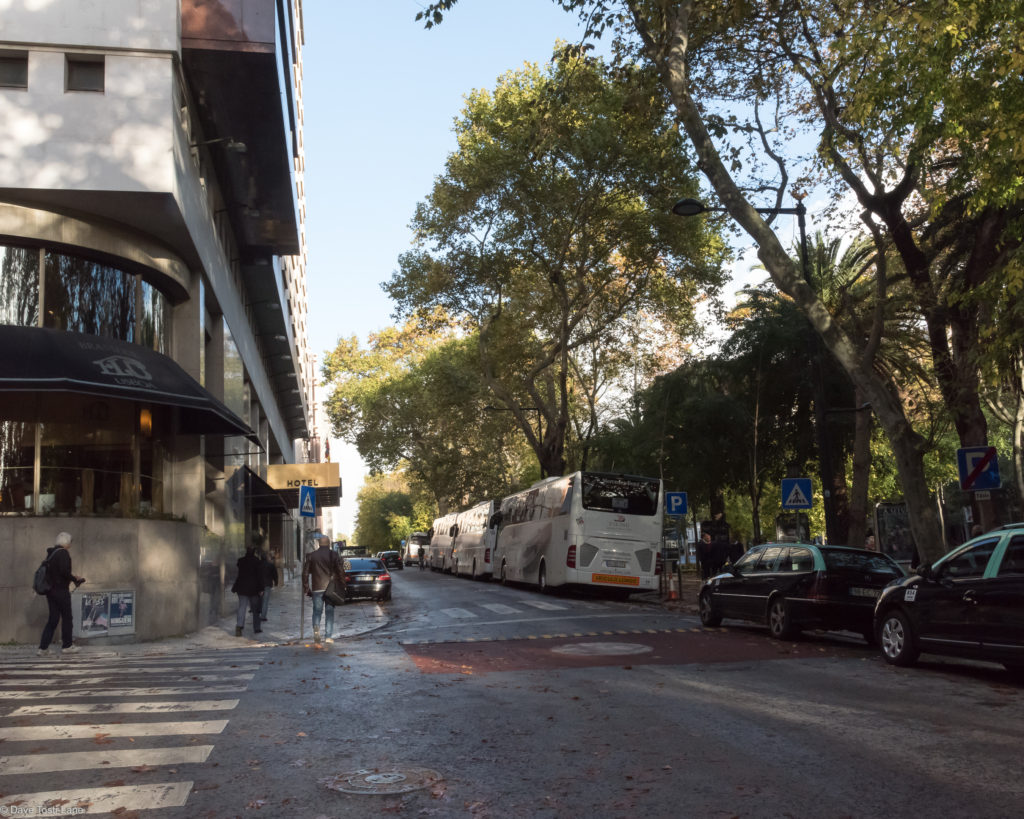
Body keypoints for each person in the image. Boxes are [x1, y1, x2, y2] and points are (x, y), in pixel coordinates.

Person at [38, 531, 85, 656]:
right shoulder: (63, 553)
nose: (70, 545)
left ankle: (43, 648)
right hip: (60, 591)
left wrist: (70, 576)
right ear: (66, 543)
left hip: (50, 591)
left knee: (53, 619)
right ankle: (67, 646)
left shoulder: (51, 554)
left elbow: (57, 572)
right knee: (67, 617)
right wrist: (75, 579)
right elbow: (64, 571)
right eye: (70, 542)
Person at [303, 535, 346, 644]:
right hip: (330, 589)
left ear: (319, 544)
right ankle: (328, 636)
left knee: (317, 612)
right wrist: (343, 584)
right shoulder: (334, 555)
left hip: (317, 588)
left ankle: (316, 631)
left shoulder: (311, 556)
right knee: (329, 612)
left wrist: (306, 588)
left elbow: (305, 573)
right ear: (328, 543)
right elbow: (340, 571)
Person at [233, 545, 264, 637]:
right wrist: (261, 588)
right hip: (254, 589)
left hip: (242, 588)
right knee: (255, 609)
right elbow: (260, 576)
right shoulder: (257, 562)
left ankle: (239, 627)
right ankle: (256, 628)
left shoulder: (241, 561)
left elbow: (238, 573)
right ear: (254, 552)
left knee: (242, 607)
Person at [259, 550, 278, 624]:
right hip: (267, 585)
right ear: (266, 558)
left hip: (259, 585)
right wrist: (276, 582)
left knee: (260, 600)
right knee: (265, 601)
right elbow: (275, 574)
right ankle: (263, 616)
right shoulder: (270, 565)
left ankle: (259, 613)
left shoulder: (258, 565)